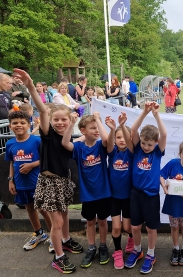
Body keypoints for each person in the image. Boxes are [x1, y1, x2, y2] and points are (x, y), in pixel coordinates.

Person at [13, 69, 83, 274]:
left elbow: (68, 143)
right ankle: (58, 257)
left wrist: (72, 124)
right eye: (57, 120)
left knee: (65, 215)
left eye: (64, 120)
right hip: (49, 182)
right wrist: (31, 87)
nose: (60, 123)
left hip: (63, 181)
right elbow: (43, 110)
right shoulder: (46, 134)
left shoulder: (67, 135)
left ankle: (66, 241)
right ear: (51, 121)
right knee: (57, 222)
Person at [62, 113, 111, 268]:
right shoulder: (79, 148)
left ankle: (103, 246)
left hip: (103, 191)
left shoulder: (100, 147)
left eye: (97, 127)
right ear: (83, 130)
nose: (96, 130)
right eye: (92, 128)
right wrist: (71, 124)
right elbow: (65, 143)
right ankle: (91, 248)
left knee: (102, 221)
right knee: (90, 221)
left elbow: (106, 140)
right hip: (87, 193)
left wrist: (97, 119)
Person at [124, 101, 166, 274]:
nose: (146, 147)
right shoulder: (137, 150)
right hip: (135, 194)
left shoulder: (157, 151)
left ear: (156, 143)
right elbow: (133, 131)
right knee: (135, 227)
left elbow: (163, 133)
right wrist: (144, 112)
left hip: (151, 195)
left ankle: (150, 254)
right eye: (143, 143)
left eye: (149, 144)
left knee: (151, 227)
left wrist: (156, 114)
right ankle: (137, 250)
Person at [5, 110, 52, 251]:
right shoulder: (10, 144)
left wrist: (32, 165)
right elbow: (12, 162)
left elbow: (46, 159)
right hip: (21, 184)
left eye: (22, 122)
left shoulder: (36, 141)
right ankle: (39, 233)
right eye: (15, 123)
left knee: (44, 209)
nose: (19, 125)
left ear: (29, 125)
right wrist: (10, 180)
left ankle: (54, 236)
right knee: (29, 209)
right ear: (10, 126)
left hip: (38, 182)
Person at [105, 113, 134, 270]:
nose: (122, 140)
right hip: (114, 197)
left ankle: (131, 239)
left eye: (124, 137)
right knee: (116, 227)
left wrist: (122, 125)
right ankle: (117, 251)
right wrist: (113, 129)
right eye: (118, 137)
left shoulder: (130, 153)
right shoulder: (113, 152)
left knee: (127, 227)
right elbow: (109, 144)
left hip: (129, 197)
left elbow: (130, 142)